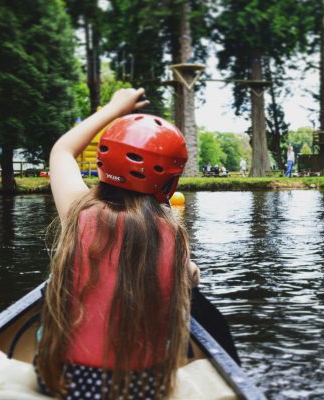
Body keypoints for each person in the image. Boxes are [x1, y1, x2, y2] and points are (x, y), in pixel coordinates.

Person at [37, 88, 200, 399]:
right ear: (169, 180)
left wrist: (114, 108)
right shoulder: (171, 232)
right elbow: (189, 276)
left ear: (102, 162)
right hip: (144, 386)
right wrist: (191, 272)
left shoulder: (78, 210)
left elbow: (61, 151)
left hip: (66, 379)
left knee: (48, 316)